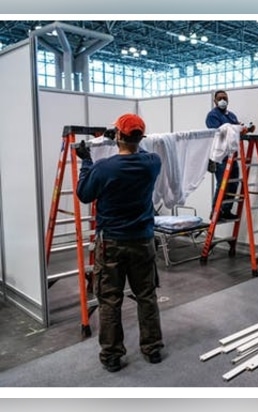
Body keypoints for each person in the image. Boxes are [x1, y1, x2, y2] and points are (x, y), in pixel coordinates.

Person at [75, 113, 164, 373]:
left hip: (111, 243)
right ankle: (153, 348)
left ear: (117, 137)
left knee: (110, 299)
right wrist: (127, 139)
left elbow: (84, 194)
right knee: (146, 295)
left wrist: (86, 162)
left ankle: (112, 356)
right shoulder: (152, 163)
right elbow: (140, 150)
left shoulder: (104, 168)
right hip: (143, 241)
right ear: (140, 138)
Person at [205, 90, 242, 220]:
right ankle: (216, 211)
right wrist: (233, 128)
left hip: (232, 156)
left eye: (225, 98)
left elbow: (236, 130)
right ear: (215, 101)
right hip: (220, 157)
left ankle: (226, 210)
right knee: (222, 184)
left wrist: (241, 128)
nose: (222, 100)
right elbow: (219, 132)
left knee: (234, 183)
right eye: (220, 98)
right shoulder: (212, 116)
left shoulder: (231, 115)